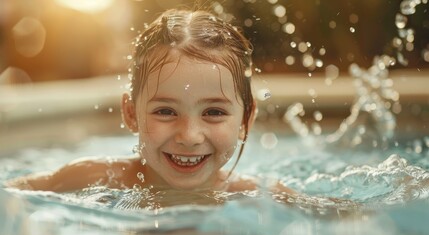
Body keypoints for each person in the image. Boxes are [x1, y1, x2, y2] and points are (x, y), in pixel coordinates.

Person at [5, 9, 294, 195]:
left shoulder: (259, 194)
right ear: (130, 113)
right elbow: (13, 192)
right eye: (166, 111)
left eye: (214, 112)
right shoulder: (97, 177)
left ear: (246, 119)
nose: (189, 136)